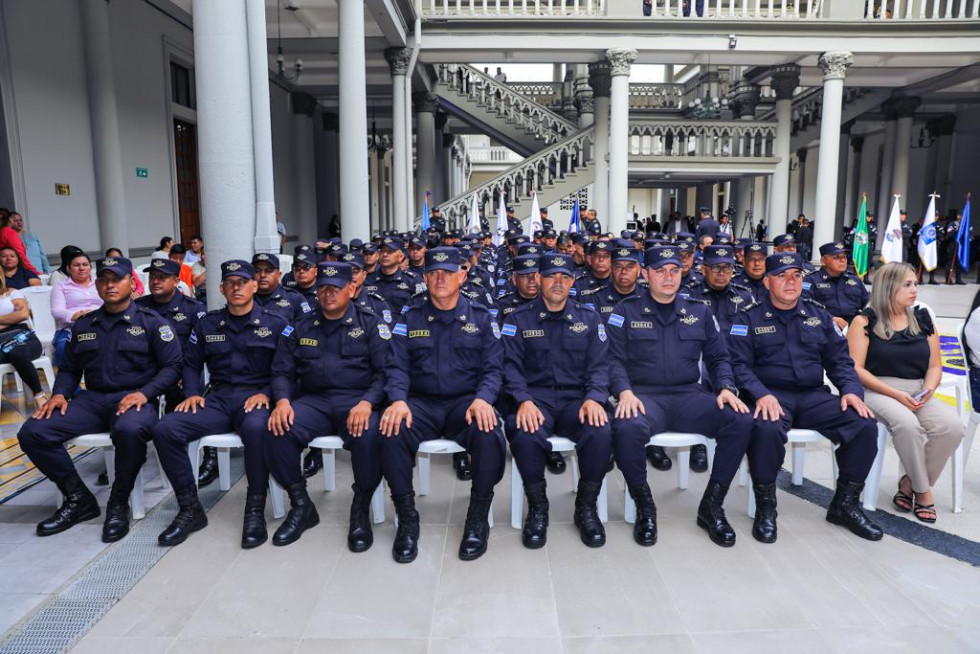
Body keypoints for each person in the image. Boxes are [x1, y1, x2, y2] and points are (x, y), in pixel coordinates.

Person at [18, 257, 182, 541]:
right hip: (92, 400)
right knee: (33, 431)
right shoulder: (84, 326)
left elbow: (173, 366)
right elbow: (70, 368)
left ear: (131, 283)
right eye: (104, 279)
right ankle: (78, 498)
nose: (109, 285)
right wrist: (59, 394)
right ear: (96, 285)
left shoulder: (152, 323)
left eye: (116, 279)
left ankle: (118, 502)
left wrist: (145, 393)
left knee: (129, 431)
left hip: (136, 399)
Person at [728, 252, 883, 543]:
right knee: (765, 428)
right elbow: (738, 366)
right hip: (771, 395)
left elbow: (840, 362)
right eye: (783, 276)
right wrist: (760, 394)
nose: (791, 282)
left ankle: (845, 504)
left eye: (797, 276)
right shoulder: (747, 318)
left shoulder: (818, 315)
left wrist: (851, 391)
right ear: (767, 281)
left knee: (862, 423)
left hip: (812, 396)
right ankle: (766, 506)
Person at [608, 246, 752, 547]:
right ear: (645, 275)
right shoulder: (625, 311)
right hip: (644, 397)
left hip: (689, 396)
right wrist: (624, 392)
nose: (668, 277)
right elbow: (612, 360)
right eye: (659, 271)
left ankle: (712, 506)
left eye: (674, 270)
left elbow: (719, 357)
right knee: (625, 427)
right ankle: (645, 506)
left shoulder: (699, 310)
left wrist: (726, 387)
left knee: (739, 419)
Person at [150, 260, 288, 548]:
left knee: (256, 430)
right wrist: (192, 393)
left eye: (243, 282)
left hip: (256, 399)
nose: (237, 288)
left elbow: (287, 368)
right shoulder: (207, 323)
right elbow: (190, 364)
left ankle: (254, 509)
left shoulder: (276, 324)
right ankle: (190, 508)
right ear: (222, 288)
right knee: (165, 429)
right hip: (218, 399)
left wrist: (267, 393)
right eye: (231, 283)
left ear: (254, 285)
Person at [380, 247, 506, 563]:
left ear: (462, 276)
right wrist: (397, 401)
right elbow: (396, 366)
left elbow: (493, 368)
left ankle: (478, 514)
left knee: (489, 432)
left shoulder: (481, 317)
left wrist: (483, 399)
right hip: (420, 403)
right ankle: (407, 517)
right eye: (434, 272)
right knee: (390, 431)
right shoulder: (409, 317)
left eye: (448, 272)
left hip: (465, 402)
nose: (440, 278)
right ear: (424, 277)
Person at [267, 262, 389, 552]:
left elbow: (385, 373)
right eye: (323, 288)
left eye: (335, 288)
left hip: (356, 400)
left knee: (370, 434)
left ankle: (360, 506)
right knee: (275, 430)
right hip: (314, 401)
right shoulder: (301, 326)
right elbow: (282, 371)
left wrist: (367, 403)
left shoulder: (370, 324)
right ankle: (301, 504)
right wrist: (283, 400)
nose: (328, 294)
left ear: (352, 288)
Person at [502, 253, 611, 549]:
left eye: (565, 277)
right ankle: (538, 508)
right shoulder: (517, 319)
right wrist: (522, 400)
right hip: (536, 402)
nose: (558, 283)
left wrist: (595, 399)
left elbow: (600, 366)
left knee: (600, 431)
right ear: (539, 279)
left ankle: (586, 508)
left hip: (577, 400)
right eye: (551, 276)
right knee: (524, 435)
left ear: (573, 281)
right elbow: (509, 367)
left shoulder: (589, 319)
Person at [847, 262, 964, 523]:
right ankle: (923, 493)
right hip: (876, 388)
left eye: (915, 284)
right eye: (908, 284)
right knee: (907, 425)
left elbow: (935, 365)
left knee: (952, 426)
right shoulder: (864, 321)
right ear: (888, 288)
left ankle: (909, 483)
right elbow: (856, 369)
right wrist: (895, 394)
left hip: (918, 389)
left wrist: (928, 389)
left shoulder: (922, 319)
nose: (915, 290)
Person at [135, 258, 205, 414]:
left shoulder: (193, 309)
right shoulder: (138, 307)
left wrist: (180, 373)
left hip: (182, 374)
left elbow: (198, 349)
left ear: (176, 281)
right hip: (145, 374)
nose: (156, 281)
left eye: (162, 277)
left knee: (187, 410)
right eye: (153, 277)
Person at [0, 276, 47, 408]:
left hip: (24, 337)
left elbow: (23, 315)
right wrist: (11, 318)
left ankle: (39, 395)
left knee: (17, 352)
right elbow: (18, 316)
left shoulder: (13, 293)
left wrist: (15, 318)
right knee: (14, 352)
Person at [50, 251, 102, 365]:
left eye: (85, 264)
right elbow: (57, 311)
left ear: (90, 267)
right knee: (63, 349)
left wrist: (97, 314)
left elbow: (110, 302)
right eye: (76, 265)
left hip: (101, 323)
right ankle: (70, 383)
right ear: (68, 268)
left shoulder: (100, 281)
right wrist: (76, 316)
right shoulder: (61, 286)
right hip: (71, 327)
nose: (81, 268)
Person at [806, 241, 869, 329]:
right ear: (823, 261)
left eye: (844, 257)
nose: (842, 260)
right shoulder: (811, 280)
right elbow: (806, 306)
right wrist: (830, 319)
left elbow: (868, 303)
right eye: (836, 257)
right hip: (824, 327)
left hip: (853, 327)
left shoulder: (855, 280)